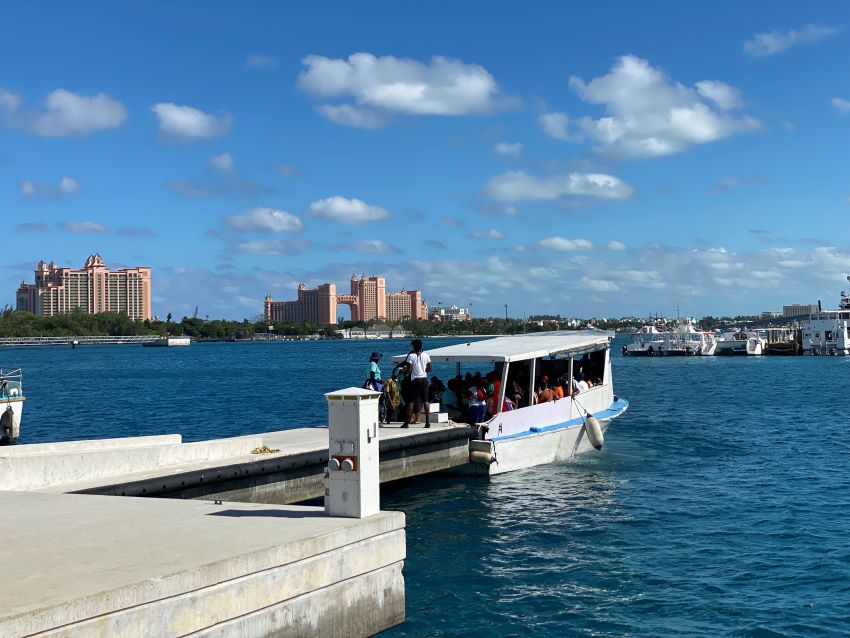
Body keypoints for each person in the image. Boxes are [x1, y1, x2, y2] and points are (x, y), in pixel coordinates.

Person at [401, 339, 432, 428]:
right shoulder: (426, 355)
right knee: (425, 401)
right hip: (424, 380)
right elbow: (430, 368)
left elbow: (409, 370)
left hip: (415, 380)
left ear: (414, 346)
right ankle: (427, 422)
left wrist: (404, 371)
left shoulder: (411, 356)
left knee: (411, 401)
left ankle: (406, 423)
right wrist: (422, 370)